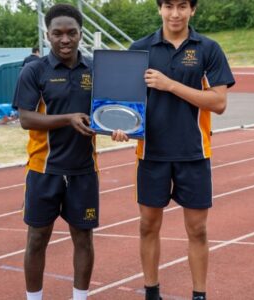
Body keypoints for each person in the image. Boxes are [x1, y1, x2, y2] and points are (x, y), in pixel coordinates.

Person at [112, 1, 235, 299]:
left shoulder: (208, 48)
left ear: (193, 9)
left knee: (197, 231)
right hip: (151, 154)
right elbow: (126, 102)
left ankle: (199, 295)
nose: (175, 13)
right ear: (159, 9)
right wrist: (119, 126)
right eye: (168, 6)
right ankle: (151, 292)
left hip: (193, 153)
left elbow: (218, 103)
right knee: (147, 226)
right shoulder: (139, 49)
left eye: (182, 6)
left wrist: (170, 85)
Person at [13, 4, 97, 300]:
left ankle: (80, 297)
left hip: (84, 170)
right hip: (43, 171)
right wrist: (68, 119)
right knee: (37, 239)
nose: (65, 39)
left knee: (84, 239)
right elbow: (26, 119)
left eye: (71, 32)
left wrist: (120, 126)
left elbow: (108, 111)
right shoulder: (34, 70)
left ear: (80, 34)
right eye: (58, 33)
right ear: (47, 35)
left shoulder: (94, 69)